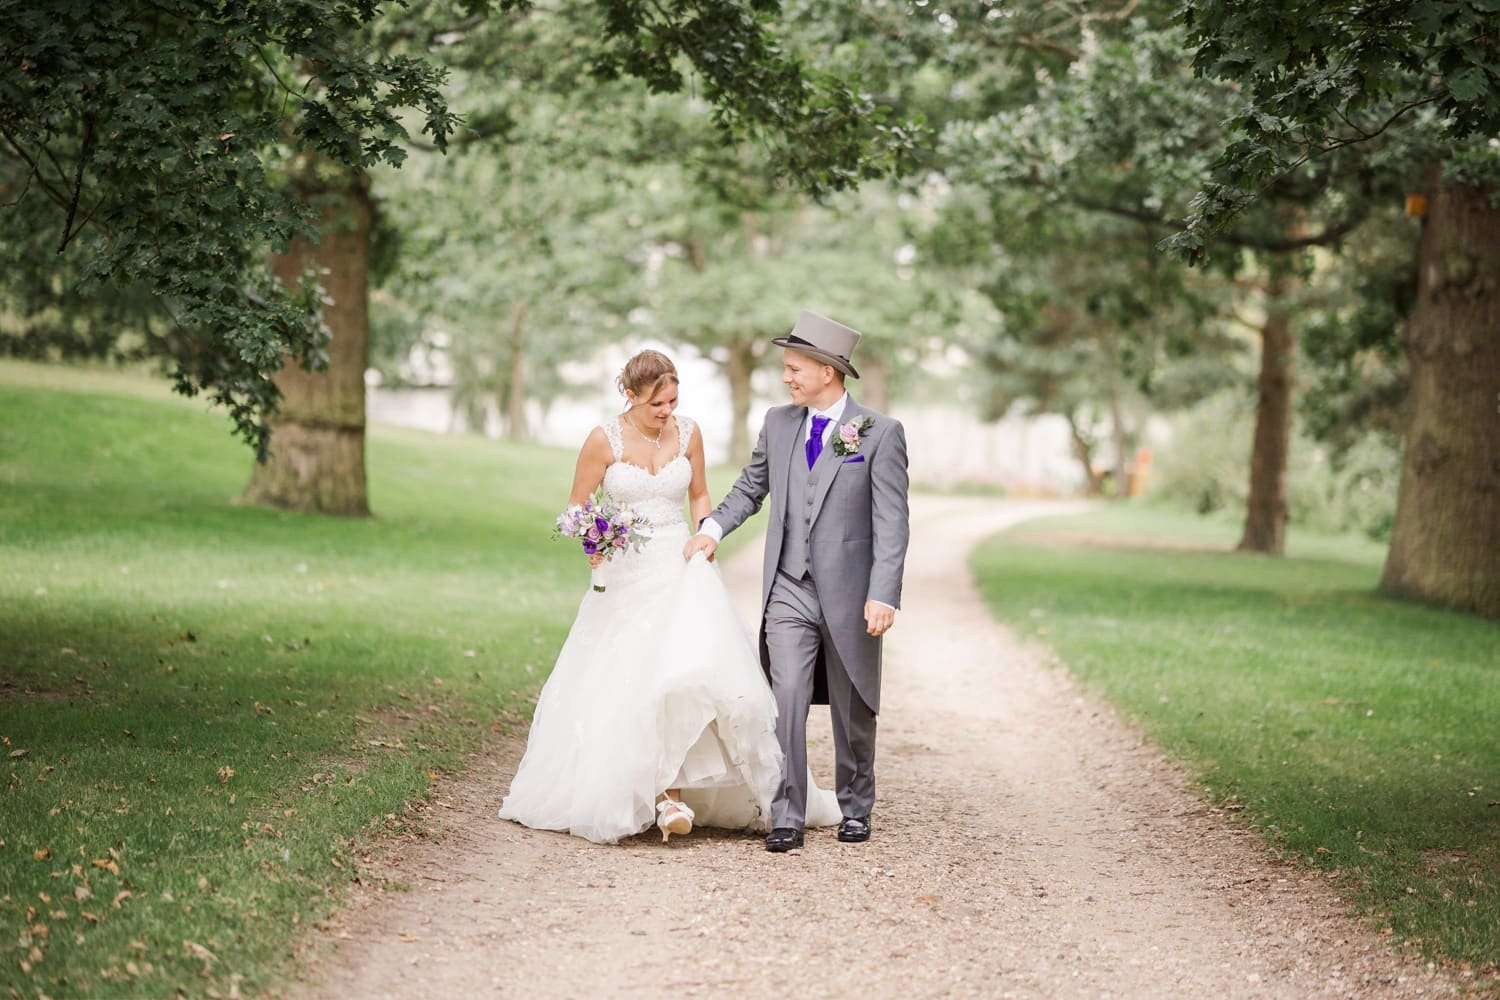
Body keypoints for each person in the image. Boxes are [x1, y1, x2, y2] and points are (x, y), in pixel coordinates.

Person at [499, 350, 839, 844]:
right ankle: (650, 792)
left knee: (690, 672)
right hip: (626, 575)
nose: (667, 411)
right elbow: (575, 510)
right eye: (658, 403)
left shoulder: (690, 432)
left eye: (674, 400)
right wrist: (595, 542)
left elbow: (700, 493)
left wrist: (706, 534)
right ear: (631, 395)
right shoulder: (602, 440)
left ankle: (676, 795)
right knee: (631, 677)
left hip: (681, 564)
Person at [686, 311, 910, 853]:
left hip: (853, 595)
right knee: (783, 697)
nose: (786, 377)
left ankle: (857, 807)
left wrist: (884, 592)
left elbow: (892, 522)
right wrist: (712, 528)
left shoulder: (879, 434)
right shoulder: (778, 423)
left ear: (827, 371)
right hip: (788, 587)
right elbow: (750, 487)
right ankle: (786, 810)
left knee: (854, 703)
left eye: (794, 368)